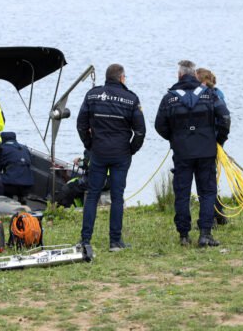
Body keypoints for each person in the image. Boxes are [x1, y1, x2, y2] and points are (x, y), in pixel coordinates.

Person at [155, 60, 230, 248]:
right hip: (206, 150)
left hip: (182, 152)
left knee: (182, 193)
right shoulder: (210, 94)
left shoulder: (169, 98)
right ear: (195, 75)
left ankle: (184, 235)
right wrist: (218, 140)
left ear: (179, 75)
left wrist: (175, 138)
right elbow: (225, 117)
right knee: (207, 192)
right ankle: (205, 234)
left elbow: (159, 125)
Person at [77, 64, 146, 251]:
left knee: (92, 195)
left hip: (98, 152)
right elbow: (140, 131)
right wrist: (131, 149)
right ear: (122, 78)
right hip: (120, 153)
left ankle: (85, 240)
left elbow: (81, 125)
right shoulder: (131, 99)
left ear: (107, 78)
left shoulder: (92, 95)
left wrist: (89, 145)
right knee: (117, 197)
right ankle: (115, 242)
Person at [196, 67, 228, 226]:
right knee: (210, 179)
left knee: (204, 183)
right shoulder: (219, 94)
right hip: (215, 141)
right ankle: (219, 214)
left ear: (201, 81)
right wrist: (220, 141)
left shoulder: (204, 96)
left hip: (205, 143)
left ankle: (211, 217)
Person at [0, 132, 34, 203]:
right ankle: (22, 197)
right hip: (28, 184)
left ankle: (7, 199)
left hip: (10, 184)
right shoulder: (24, 148)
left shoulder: (2, 148)